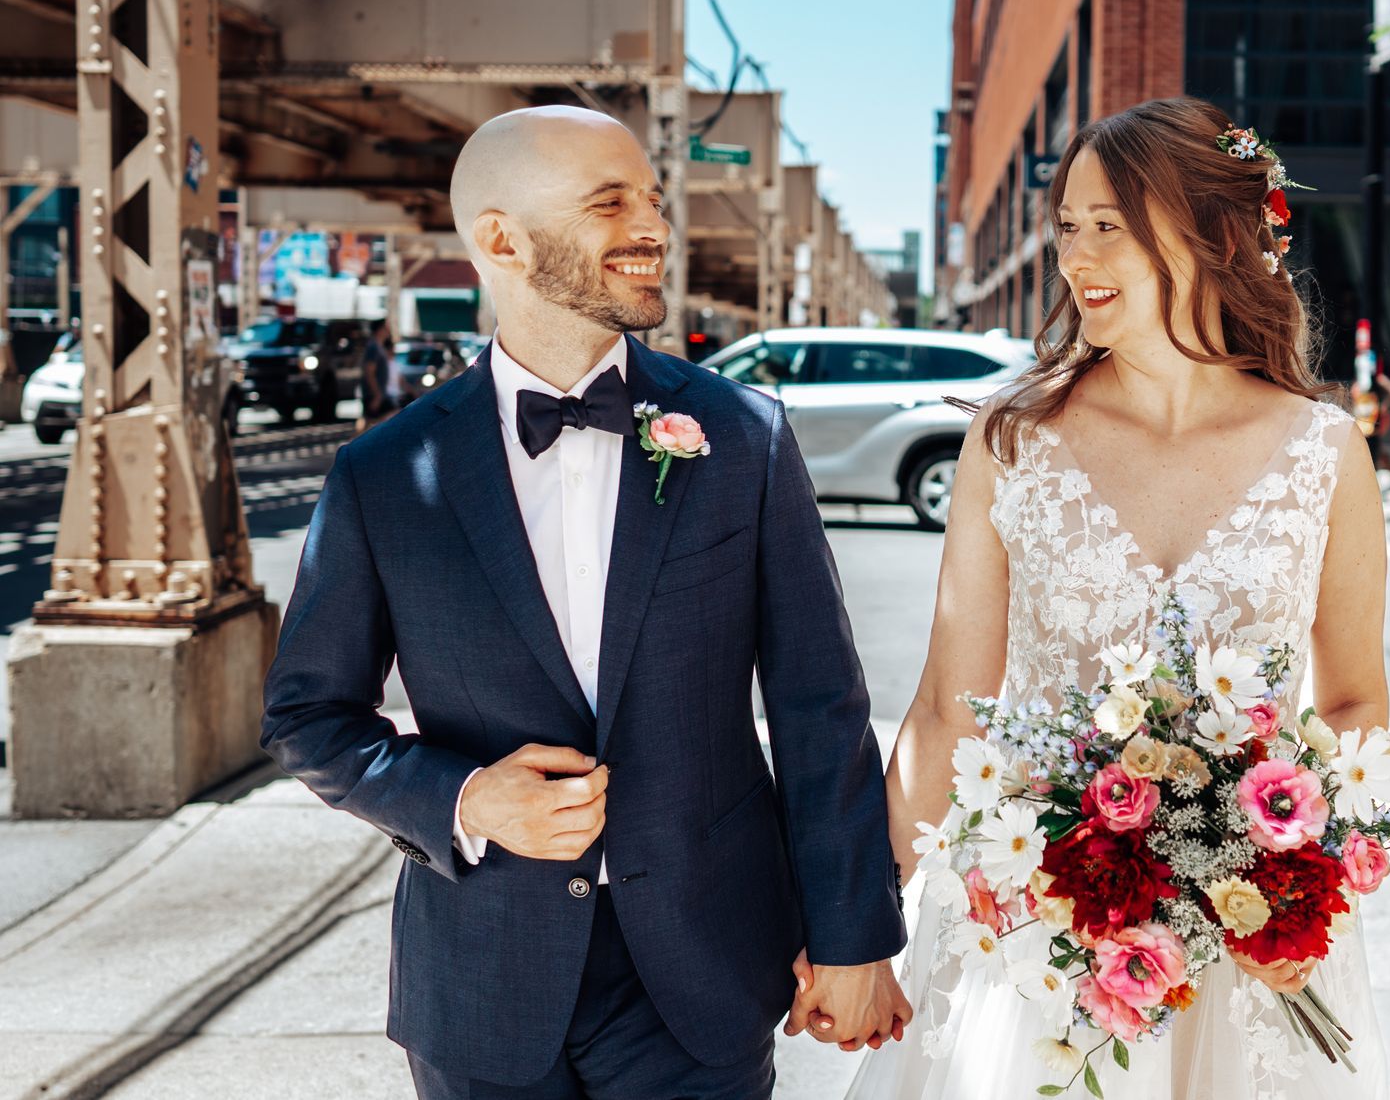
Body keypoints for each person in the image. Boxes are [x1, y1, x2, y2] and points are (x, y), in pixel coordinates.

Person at [260, 105, 910, 1099]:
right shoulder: (385, 474)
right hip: (480, 983)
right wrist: (467, 799)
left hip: (704, 972)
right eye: (611, 203)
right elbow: (308, 717)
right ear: (501, 240)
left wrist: (855, 935)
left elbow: (821, 706)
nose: (653, 226)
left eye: (650, 199)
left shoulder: (742, 435)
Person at [841, 98, 1390, 1098]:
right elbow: (943, 713)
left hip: (1249, 939)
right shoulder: (1010, 441)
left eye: (1113, 227)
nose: (1077, 256)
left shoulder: (1325, 451)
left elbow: (1352, 698)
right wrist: (856, 924)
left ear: (1217, 238)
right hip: (1035, 920)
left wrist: (1299, 884)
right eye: (1068, 228)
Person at [1352, 369, 1390, 492]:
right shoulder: (1359, 380)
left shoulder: (1377, 378)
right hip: (1362, 422)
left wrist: (1382, 407)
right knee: (1373, 450)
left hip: (1373, 422)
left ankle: (1378, 481)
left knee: (1375, 450)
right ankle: (1389, 476)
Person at [357, 320, 398, 434]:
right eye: (386, 328)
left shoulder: (378, 347)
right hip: (373, 394)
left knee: (369, 422)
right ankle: (353, 447)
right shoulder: (373, 347)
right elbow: (369, 371)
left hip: (378, 394)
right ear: (380, 329)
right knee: (393, 415)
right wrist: (377, 395)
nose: (388, 331)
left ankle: (354, 447)